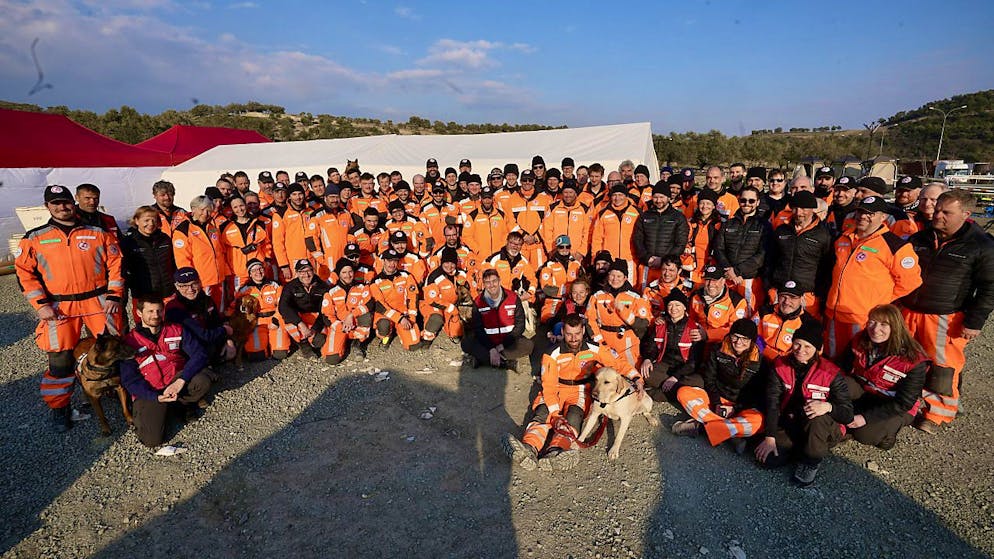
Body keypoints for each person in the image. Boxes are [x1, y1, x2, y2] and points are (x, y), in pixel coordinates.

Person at [15, 184, 125, 432]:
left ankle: (119, 392)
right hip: (59, 305)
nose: (62, 207)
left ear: (73, 203)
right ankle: (60, 408)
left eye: (65, 202)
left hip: (98, 300)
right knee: (60, 357)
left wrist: (114, 296)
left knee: (114, 347)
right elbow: (24, 273)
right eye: (56, 203)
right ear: (47, 206)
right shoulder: (34, 238)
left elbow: (116, 264)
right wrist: (41, 305)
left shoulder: (97, 232)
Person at [902, 189, 994, 432]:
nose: (937, 215)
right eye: (937, 210)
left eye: (946, 212)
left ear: (966, 214)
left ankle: (936, 414)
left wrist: (975, 321)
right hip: (909, 311)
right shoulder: (920, 238)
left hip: (945, 315)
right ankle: (904, 405)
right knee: (905, 359)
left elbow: (989, 287)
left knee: (942, 367)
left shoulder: (981, 245)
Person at [503, 314, 643, 471]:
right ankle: (529, 448)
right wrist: (555, 413)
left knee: (573, 416)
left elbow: (617, 364)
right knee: (543, 412)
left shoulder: (595, 349)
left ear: (583, 331)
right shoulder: (552, 354)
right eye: (569, 334)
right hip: (556, 388)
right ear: (563, 332)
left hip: (580, 390)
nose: (574, 338)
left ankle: (556, 451)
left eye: (577, 334)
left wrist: (636, 378)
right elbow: (549, 385)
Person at [755, 321, 853, 487]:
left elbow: (848, 414)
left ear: (818, 350)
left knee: (816, 416)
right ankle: (800, 450)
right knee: (767, 459)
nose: (801, 350)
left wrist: (827, 407)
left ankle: (810, 462)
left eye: (808, 346)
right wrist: (770, 437)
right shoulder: (780, 365)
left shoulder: (831, 373)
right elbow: (772, 402)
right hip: (792, 421)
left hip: (822, 426)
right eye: (797, 344)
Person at [823, 195, 922, 359]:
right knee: (832, 358)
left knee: (858, 360)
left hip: (863, 317)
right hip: (834, 313)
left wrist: (880, 300)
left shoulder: (895, 245)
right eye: (860, 212)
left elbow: (911, 282)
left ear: (883, 217)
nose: (863, 216)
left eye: (870, 213)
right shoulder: (843, 238)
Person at [120, 297, 213, 448]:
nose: (156, 315)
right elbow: (129, 380)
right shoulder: (129, 342)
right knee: (152, 441)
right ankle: (162, 409)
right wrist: (154, 397)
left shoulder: (176, 329)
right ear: (139, 313)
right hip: (151, 391)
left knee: (202, 381)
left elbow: (200, 354)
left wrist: (181, 380)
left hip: (175, 382)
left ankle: (182, 405)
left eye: (159, 311)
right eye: (150, 311)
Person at [836, 304, 927, 449]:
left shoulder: (913, 360)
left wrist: (865, 418)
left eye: (883, 324)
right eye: (872, 322)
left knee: (865, 435)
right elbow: (841, 366)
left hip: (895, 404)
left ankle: (888, 435)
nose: (875, 329)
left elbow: (904, 403)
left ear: (895, 327)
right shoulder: (860, 339)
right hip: (867, 391)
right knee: (839, 384)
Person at [671, 318, 764, 452]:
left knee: (758, 421)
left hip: (740, 406)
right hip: (716, 399)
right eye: (735, 336)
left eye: (745, 339)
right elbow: (709, 378)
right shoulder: (718, 350)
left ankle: (702, 427)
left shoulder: (759, 362)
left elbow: (756, 392)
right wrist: (716, 403)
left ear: (752, 341)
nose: (738, 342)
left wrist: (735, 408)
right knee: (683, 393)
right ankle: (729, 432)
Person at [766, 191, 833, 316]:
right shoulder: (782, 230)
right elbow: (770, 259)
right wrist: (769, 285)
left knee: (806, 326)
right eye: (795, 208)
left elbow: (827, 267)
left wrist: (820, 292)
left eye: (804, 208)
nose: (799, 212)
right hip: (780, 290)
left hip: (807, 293)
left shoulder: (823, 235)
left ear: (812, 209)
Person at [638, 289, 706, 402]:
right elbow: (651, 346)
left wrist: (675, 377)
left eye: (678, 305)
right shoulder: (660, 324)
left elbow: (694, 361)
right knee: (647, 373)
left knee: (698, 382)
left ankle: (657, 394)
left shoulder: (694, 328)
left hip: (685, 369)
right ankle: (679, 393)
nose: (673, 308)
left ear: (685, 307)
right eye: (670, 305)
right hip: (664, 365)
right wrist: (647, 359)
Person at [464, 268, 534, 371]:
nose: (491, 285)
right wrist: (491, 348)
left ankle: (484, 360)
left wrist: (502, 345)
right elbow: (478, 328)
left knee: (529, 345)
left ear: (499, 281)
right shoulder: (478, 302)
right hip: (488, 342)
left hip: (508, 342)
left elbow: (520, 325)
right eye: (487, 282)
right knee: (466, 344)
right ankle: (506, 362)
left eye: (494, 281)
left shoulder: (513, 298)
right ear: (483, 284)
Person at [713, 185, 769, 314]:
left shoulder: (763, 225)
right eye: (743, 200)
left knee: (748, 314)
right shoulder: (728, 223)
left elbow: (762, 255)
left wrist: (737, 271)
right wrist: (728, 269)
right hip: (728, 277)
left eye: (751, 201)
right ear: (739, 201)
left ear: (758, 202)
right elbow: (718, 248)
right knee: (725, 313)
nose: (747, 204)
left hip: (748, 279)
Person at [586, 260, 651, 366]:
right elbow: (590, 320)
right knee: (604, 373)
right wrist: (599, 340)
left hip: (627, 344)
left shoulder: (635, 297)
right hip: (605, 343)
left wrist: (623, 311)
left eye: (619, 276)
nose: (615, 279)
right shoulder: (597, 295)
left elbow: (644, 323)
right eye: (612, 275)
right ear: (608, 275)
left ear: (625, 278)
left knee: (631, 373)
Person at [166, 267, 235, 363]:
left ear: (200, 282)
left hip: (207, 341)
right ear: (177, 286)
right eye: (184, 286)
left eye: (194, 284)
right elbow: (203, 335)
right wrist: (225, 330)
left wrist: (228, 339)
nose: (190, 289)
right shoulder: (175, 308)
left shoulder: (207, 300)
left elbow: (217, 322)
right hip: (188, 350)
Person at [173, 195, 231, 309]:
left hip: (219, 278)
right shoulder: (183, 230)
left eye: (209, 210)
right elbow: (183, 261)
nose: (206, 213)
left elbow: (220, 251)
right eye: (202, 210)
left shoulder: (212, 226)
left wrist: (226, 271)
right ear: (193, 209)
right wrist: (191, 282)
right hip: (202, 281)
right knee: (205, 309)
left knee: (220, 308)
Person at [121, 205, 177, 322]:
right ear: (137, 221)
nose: (151, 224)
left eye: (154, 220)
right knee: (145, 325)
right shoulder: (129, 242)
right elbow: (123, 268)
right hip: (143, 295)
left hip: (166, 292)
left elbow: (173, 262)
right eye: (146, 220)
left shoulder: (164, 239)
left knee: (170, 323)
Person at [633, 181, 690, 288]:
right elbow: (637, 240)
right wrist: (647, 258)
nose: (658, 200)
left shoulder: (678, 217)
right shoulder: (644, 216)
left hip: (667, 268)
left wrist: (663, 261)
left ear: (668, 198)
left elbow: (681, 243)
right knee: (645, 293)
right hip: (647, 265)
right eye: (655, 197)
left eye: (662, 197)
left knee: (665, 295)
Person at [320, 259, 373, 364]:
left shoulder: (362, 287)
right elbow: (326, 315)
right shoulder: (331, 292)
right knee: (332, 359)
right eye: (344, 272)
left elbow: (369, 304)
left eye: (350, 272)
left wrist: (351, 315)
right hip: (340, 327)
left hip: (355, 324)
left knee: (366, 315)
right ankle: (343, 342)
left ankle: (358, 344)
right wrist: (341, 326)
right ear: (338, 274)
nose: (348, 275)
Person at [234, 259, 288, 360]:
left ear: (264, 269)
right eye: (254, 270)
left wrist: (276, 320)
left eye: (260, 269)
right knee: (256, 356)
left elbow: (283, 306)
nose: (258, 272)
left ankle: (273, 345)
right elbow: (235, 306)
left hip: (275, 320)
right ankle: (265, 346)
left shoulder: (275, 285)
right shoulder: (245, 290)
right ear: (250, 274)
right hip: (257, 322)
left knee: (280, 354)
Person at [369, 249, 422, 350]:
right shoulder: (376, 282)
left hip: (404, 314)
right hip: (385, 316)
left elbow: (413, 296)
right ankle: (387, 335)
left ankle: (400, 331)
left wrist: (411, 317)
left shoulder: (406, 276)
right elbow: (380, 306)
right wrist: (400, 319)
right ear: (383, 261)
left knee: (413, 345)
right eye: (389, 261)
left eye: (395, 261)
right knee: (384, 326)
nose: (392, 264)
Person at [754, 280, 817, 363]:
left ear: (801, 298)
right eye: (783, 296)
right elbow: (753, 334)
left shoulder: (807, 322)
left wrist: (784, 359)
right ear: (777, 297)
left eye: (792, 297)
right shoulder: (764, 312)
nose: (786, 302)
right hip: (762, 355)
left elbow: (809, 351)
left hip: (790, 361)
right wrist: (769, 353)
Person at [278, 259, 331, 356]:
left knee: (320, 340)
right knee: (287, 320)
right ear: (297, 273)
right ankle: (302, 343)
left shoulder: (322, 286)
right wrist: (300, 324)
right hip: (298, 319)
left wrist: (314, 329)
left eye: (309, 271)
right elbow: (283, 307)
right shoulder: (290, 286)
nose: (306, 275)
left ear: (313, 271)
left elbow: (325, 310)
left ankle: (311, 340)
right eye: (302, 272)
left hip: (315, 319)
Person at [591, 184, 641, 285]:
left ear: (626, 196)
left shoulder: (637, 212)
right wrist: (594, 258)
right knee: (609, 286)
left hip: (630, 259)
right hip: (610, 260)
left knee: (630, 287)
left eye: (620, 195)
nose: (617, 198)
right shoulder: (603, 214)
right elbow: (597, 238)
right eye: (614, 195)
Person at [220, 196, 272, 292]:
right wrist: (228, 270)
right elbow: (222, 251)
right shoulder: (225, 227)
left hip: (258, 269)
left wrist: (267, 260)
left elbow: (267, 244)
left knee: (261, 293)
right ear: (231, 209)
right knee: (240, 297)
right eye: (235, 207)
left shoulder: (259, 223)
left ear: (246, 205)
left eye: (241, 205)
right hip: (238, 271)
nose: (239, 209)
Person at [419, 247, 468, 347]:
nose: (449, 266)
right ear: (442, 262)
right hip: (432, 305)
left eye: (452, 263)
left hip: (449, 305)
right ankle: (427, 337)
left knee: (456, 333)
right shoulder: (434, 276)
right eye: (446, 262)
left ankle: (447, 325)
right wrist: (450, 308)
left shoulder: (459, 274)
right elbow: (431, 300)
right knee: (436, 318)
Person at [690, 265, 748, 344]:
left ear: (723, 281)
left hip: (723, 343)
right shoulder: (696, 297)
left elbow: (735, 330)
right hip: (698, 340)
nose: (710, 284)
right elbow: (691, 320)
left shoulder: (737, 302)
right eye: (708, 280)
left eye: (715, 280)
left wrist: (708, 335)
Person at [541, 179, 590, 261]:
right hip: (557, 252)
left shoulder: (584, 209)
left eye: (571, 192)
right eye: (565, 192)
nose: (568, 195)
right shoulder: (553, 208)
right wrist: (551, 250)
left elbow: (587, 232)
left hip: (576, 254)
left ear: (575, 193)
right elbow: (547, 230)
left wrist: (581, 252)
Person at [537, 235, 582, 323]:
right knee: (550, 322)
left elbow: (583, 282)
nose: (565, 249)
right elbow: (545, 287)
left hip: (572, 300)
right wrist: (565, 291)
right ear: (557, 248)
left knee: (574, 322)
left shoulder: (576, 264)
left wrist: (575, 295)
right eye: (561, 247)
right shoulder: (549, 265)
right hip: (554, 301)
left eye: (567, 247)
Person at [681, 189, 722, 285]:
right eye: (702, 203)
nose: (705, 206)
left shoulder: (719, 225)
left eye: (708, 203)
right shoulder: (691, 224)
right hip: (691, 267)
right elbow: (683, 243)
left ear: (714, 206)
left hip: (710, 269)